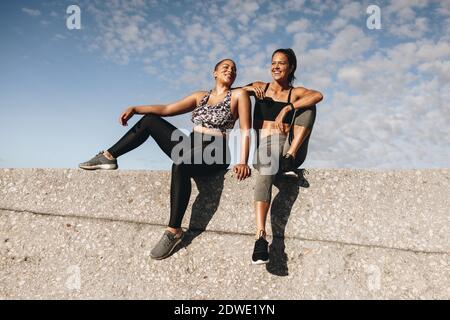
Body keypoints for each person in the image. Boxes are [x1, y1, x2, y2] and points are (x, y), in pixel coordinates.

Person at [79, 59, 252, 260]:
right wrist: (136, 108)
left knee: (180, 165)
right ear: (215, 72)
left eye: (234, 69)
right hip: (192, 145)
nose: (230, 70)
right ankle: (109, 157)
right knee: (150, 120)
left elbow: (246, 129)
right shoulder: (200, 96)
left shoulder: (239, 95)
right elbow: (168, 109)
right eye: (225, 67)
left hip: (216, 149)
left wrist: (243, 161)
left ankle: (174, 231)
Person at [243, 48, 323, 265]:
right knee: (266, 164)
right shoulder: (260, 89)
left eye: (282, 63)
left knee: (309, 104)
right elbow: (231, 92)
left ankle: (289, 158)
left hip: (290, 148)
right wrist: (251, 86)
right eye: (273, 62)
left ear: (291, 68)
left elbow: (318, 95)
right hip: (266, 149)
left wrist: (288, 107)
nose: (276, 66)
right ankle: (260, 236)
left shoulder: (295, 92)